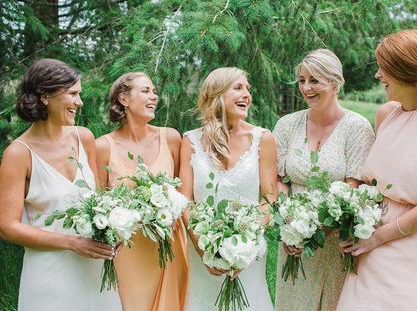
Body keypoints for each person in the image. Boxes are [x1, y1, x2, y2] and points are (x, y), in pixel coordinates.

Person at [337, 29, 417, 310]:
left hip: (411, 244)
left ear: (405, 72)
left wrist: (378, 237)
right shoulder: (386, 114)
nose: (378, 76)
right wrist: (350, 216)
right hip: (370, 234)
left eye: (384, 68)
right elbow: (371, 181)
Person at [0, 59, 122, 311]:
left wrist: (113, 230)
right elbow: (7, 227)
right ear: (46, 97)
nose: (80, 102)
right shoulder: (18, 153)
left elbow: (99, 200)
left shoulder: (84, 137)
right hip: (49, 275)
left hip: (95, 273)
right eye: (73, 94)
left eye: (80, 94)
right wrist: (72, 243)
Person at [273, 49, 375, 311]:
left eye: (314, 80)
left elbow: (354, 187)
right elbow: (280, 180)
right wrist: (290, 226)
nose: (306, 87)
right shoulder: (286, 125)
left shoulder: (357, 127)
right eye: (301, 80)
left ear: (335, 82)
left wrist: (319, 231)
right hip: (293, 238)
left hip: (336, 240)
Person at [179, 67, 277, 311]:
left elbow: (269, 197)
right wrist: (204, 250)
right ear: (216, 94)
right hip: (202, 249)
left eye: (248, 89)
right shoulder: (190, 140)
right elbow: (185, 199)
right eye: (238, 88)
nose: (247, 94)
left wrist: (247, 244)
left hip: (248, 253)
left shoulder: (262, 138)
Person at [96, 72, 188, 311]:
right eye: (146, 91)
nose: (154, 96)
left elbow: (181, 192)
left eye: (154, 91)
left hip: (168, 245)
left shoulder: (170, 138)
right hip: (127, 250)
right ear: (124, 99)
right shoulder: (103, 146)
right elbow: (98, 202)